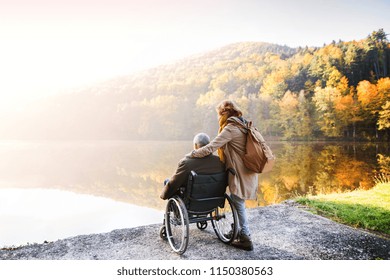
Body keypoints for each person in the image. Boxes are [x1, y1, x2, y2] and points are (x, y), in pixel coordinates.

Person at [189, 100, 258, 251]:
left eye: (219, 114)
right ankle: (239, 230)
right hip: (248, 171)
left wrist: (193, 154)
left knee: (238, 202)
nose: (218, 118)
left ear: (223, 114)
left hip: (239, 173)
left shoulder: (231, 128)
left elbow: (212, 147)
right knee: (236, 200)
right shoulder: (243, 124)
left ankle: (245, 237)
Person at [160, 133, 225, 200]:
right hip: (213, 200)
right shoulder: (219, 161)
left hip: (192, 200)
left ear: (196, 145)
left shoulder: (186, 163)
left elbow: (174, 183)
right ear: (209, 145)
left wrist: (163, 195)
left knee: (167, 181)